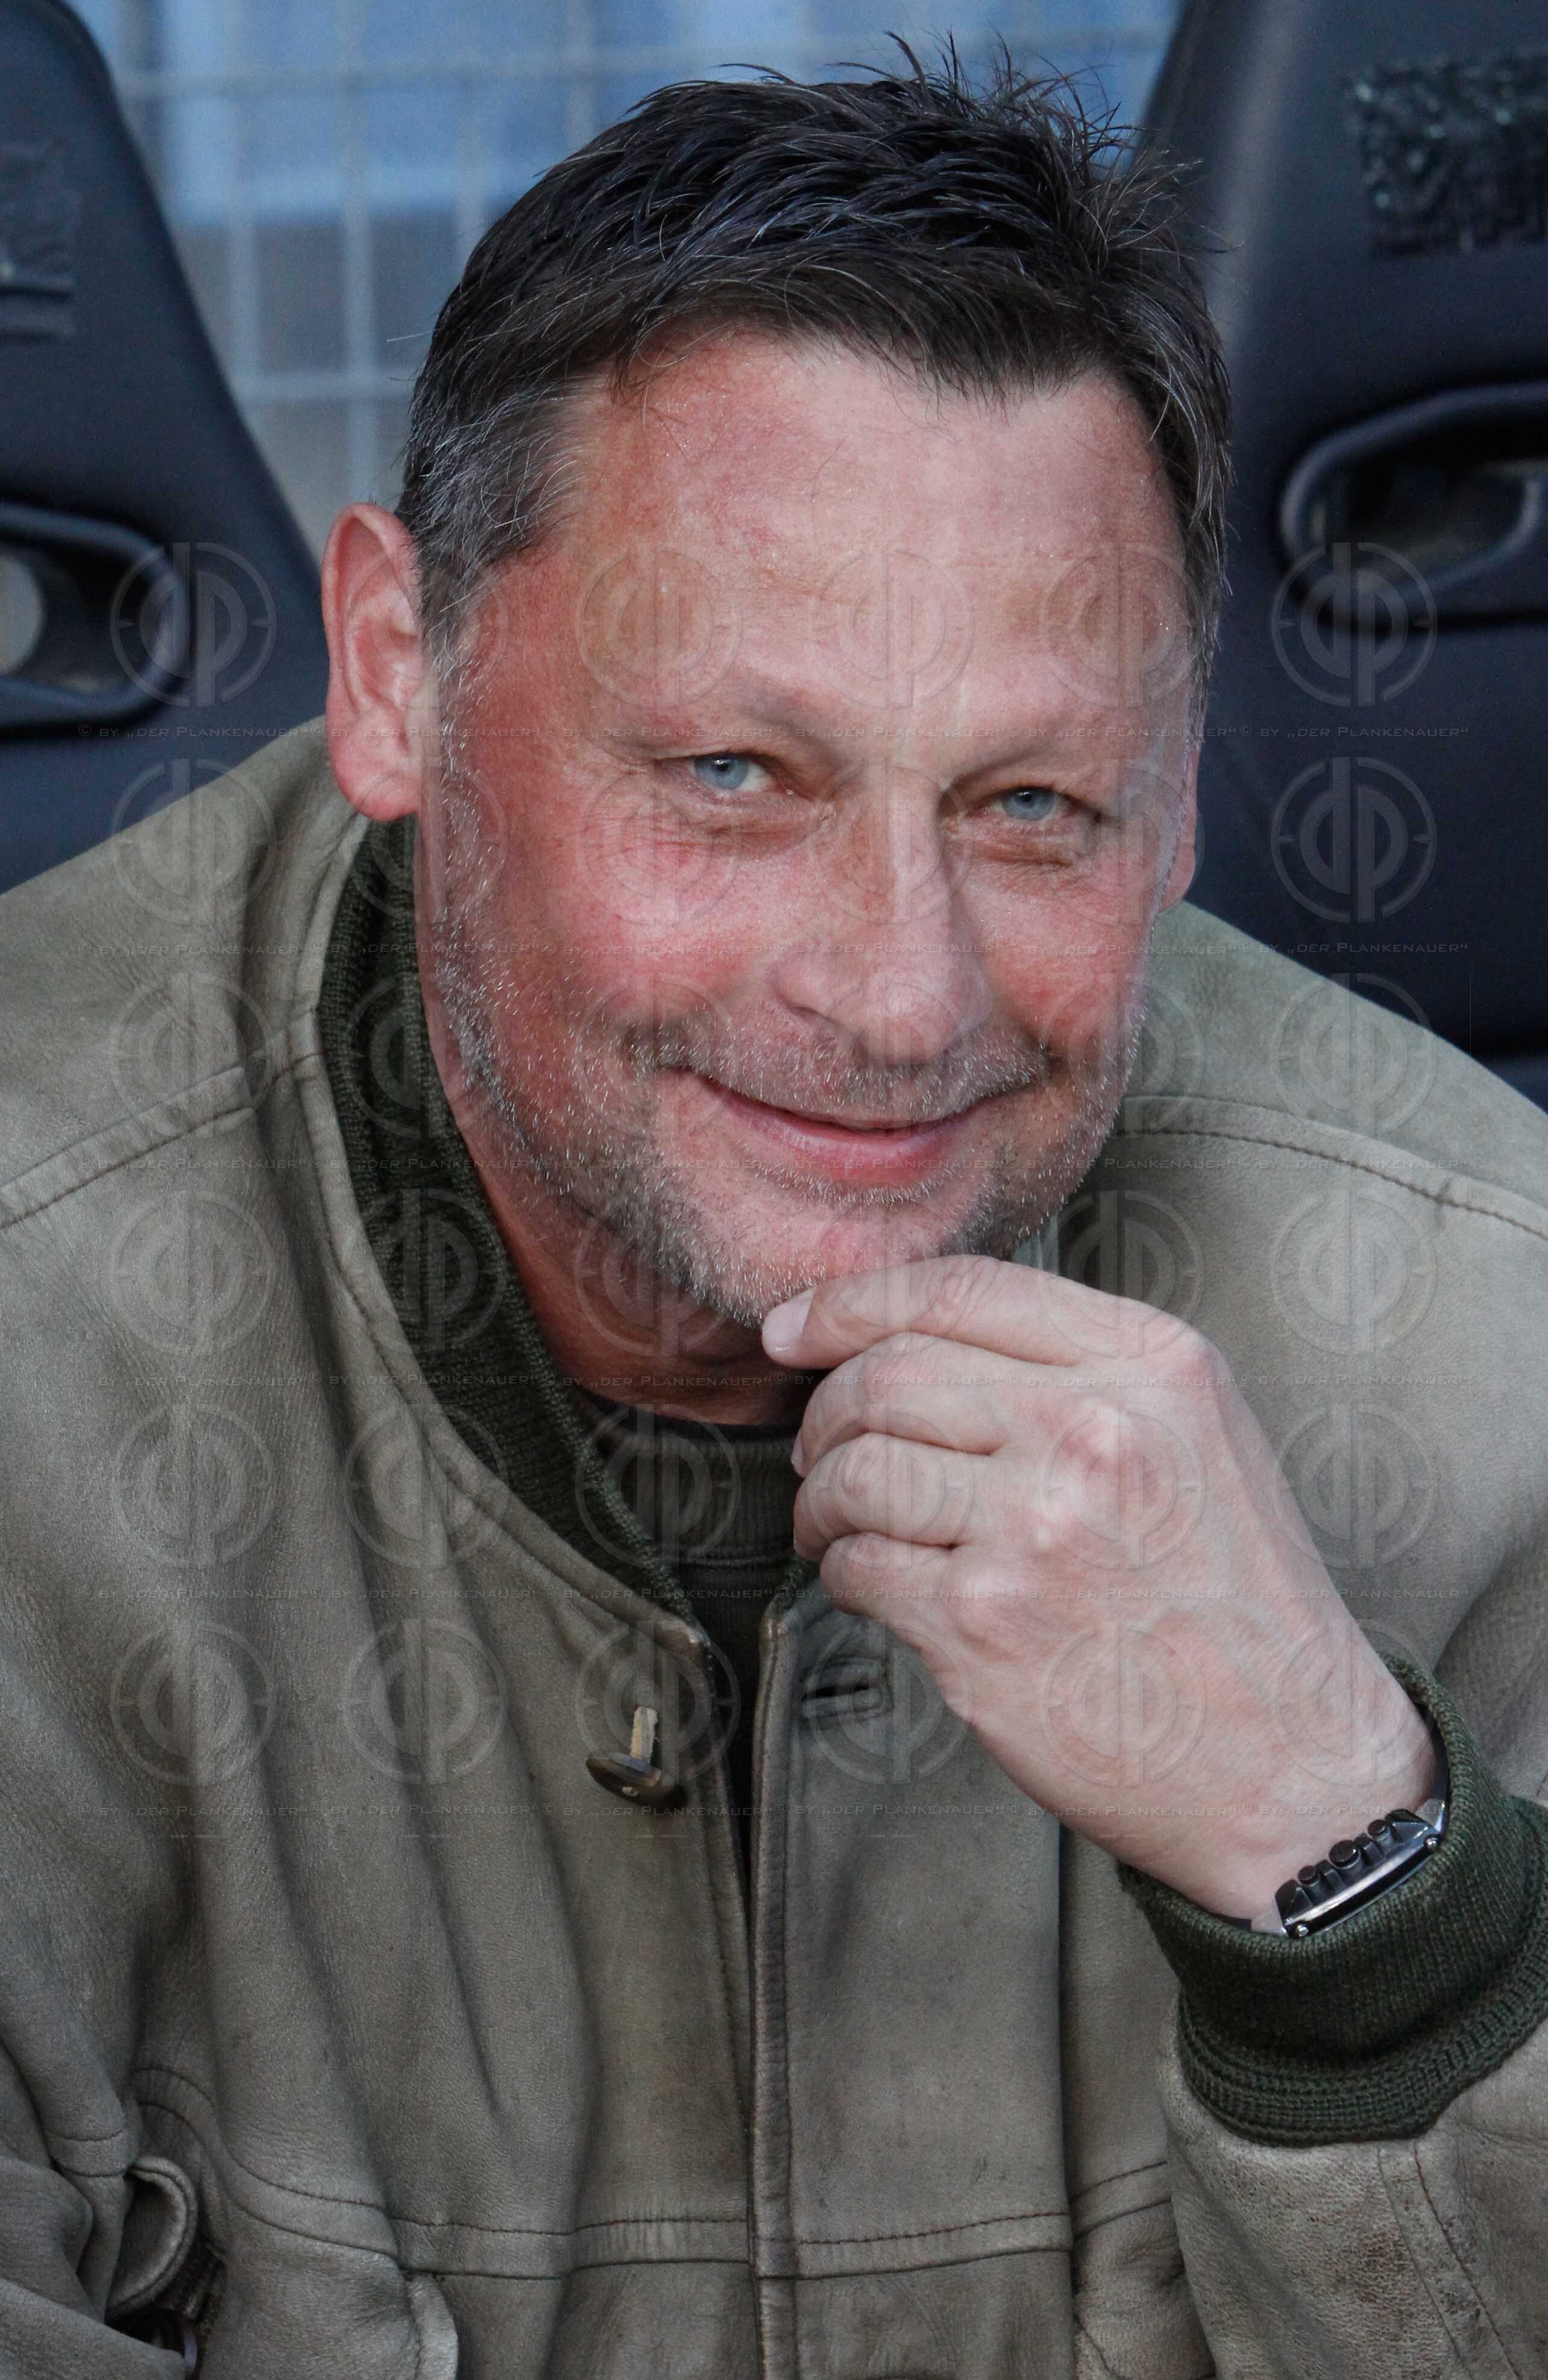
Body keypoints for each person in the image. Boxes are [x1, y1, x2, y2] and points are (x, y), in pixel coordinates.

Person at [1, 52, 1546, 2378]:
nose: (900, 994)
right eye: (734, 774)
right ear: (399, 675)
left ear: (1181, 793)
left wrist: (1366, 1878)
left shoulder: (1492, 1341)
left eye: (1034, 804)